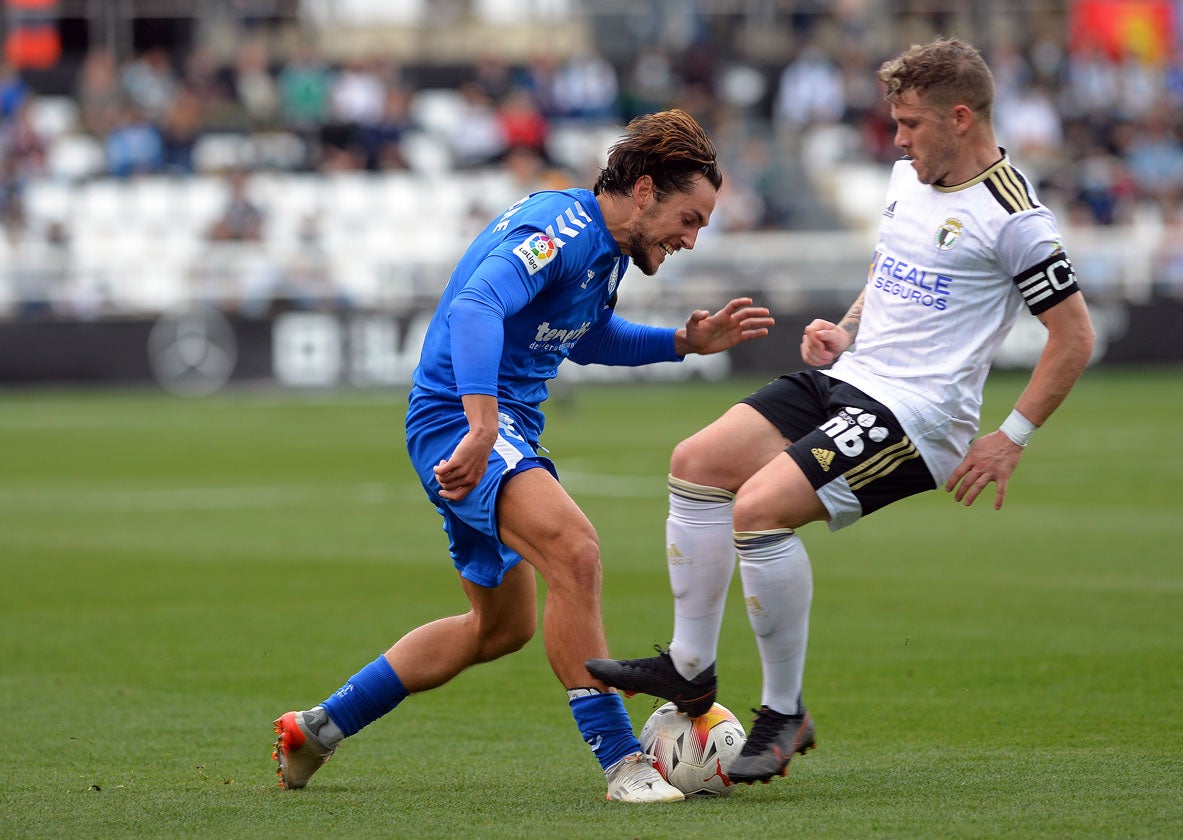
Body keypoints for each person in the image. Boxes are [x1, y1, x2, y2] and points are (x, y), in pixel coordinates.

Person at [587, 37, 1096, 786]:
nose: (897, 139)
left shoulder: (1012, 215)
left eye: (910, 124)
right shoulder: (906, 178)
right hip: (852, 376)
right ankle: (688, 669)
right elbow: (888, 270)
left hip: (919, 417)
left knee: (756, 509)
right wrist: (849, 327)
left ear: (960, 117)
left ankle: (783, 712)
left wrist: (1009, 437)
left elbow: (1072, 334)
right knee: (695, 463)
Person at [271, 109, 774, 803]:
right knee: (576, 551)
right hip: (462, 419)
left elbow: (586, 337)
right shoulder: (560, 229)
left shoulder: (602, 255)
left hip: (491, 428)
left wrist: (682, 345)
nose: (690, 239)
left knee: (498, 628)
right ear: (645, 189)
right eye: (689, 219)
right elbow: (476, 306)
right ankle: (623, 762)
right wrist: (480, 428)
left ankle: (319, 727)